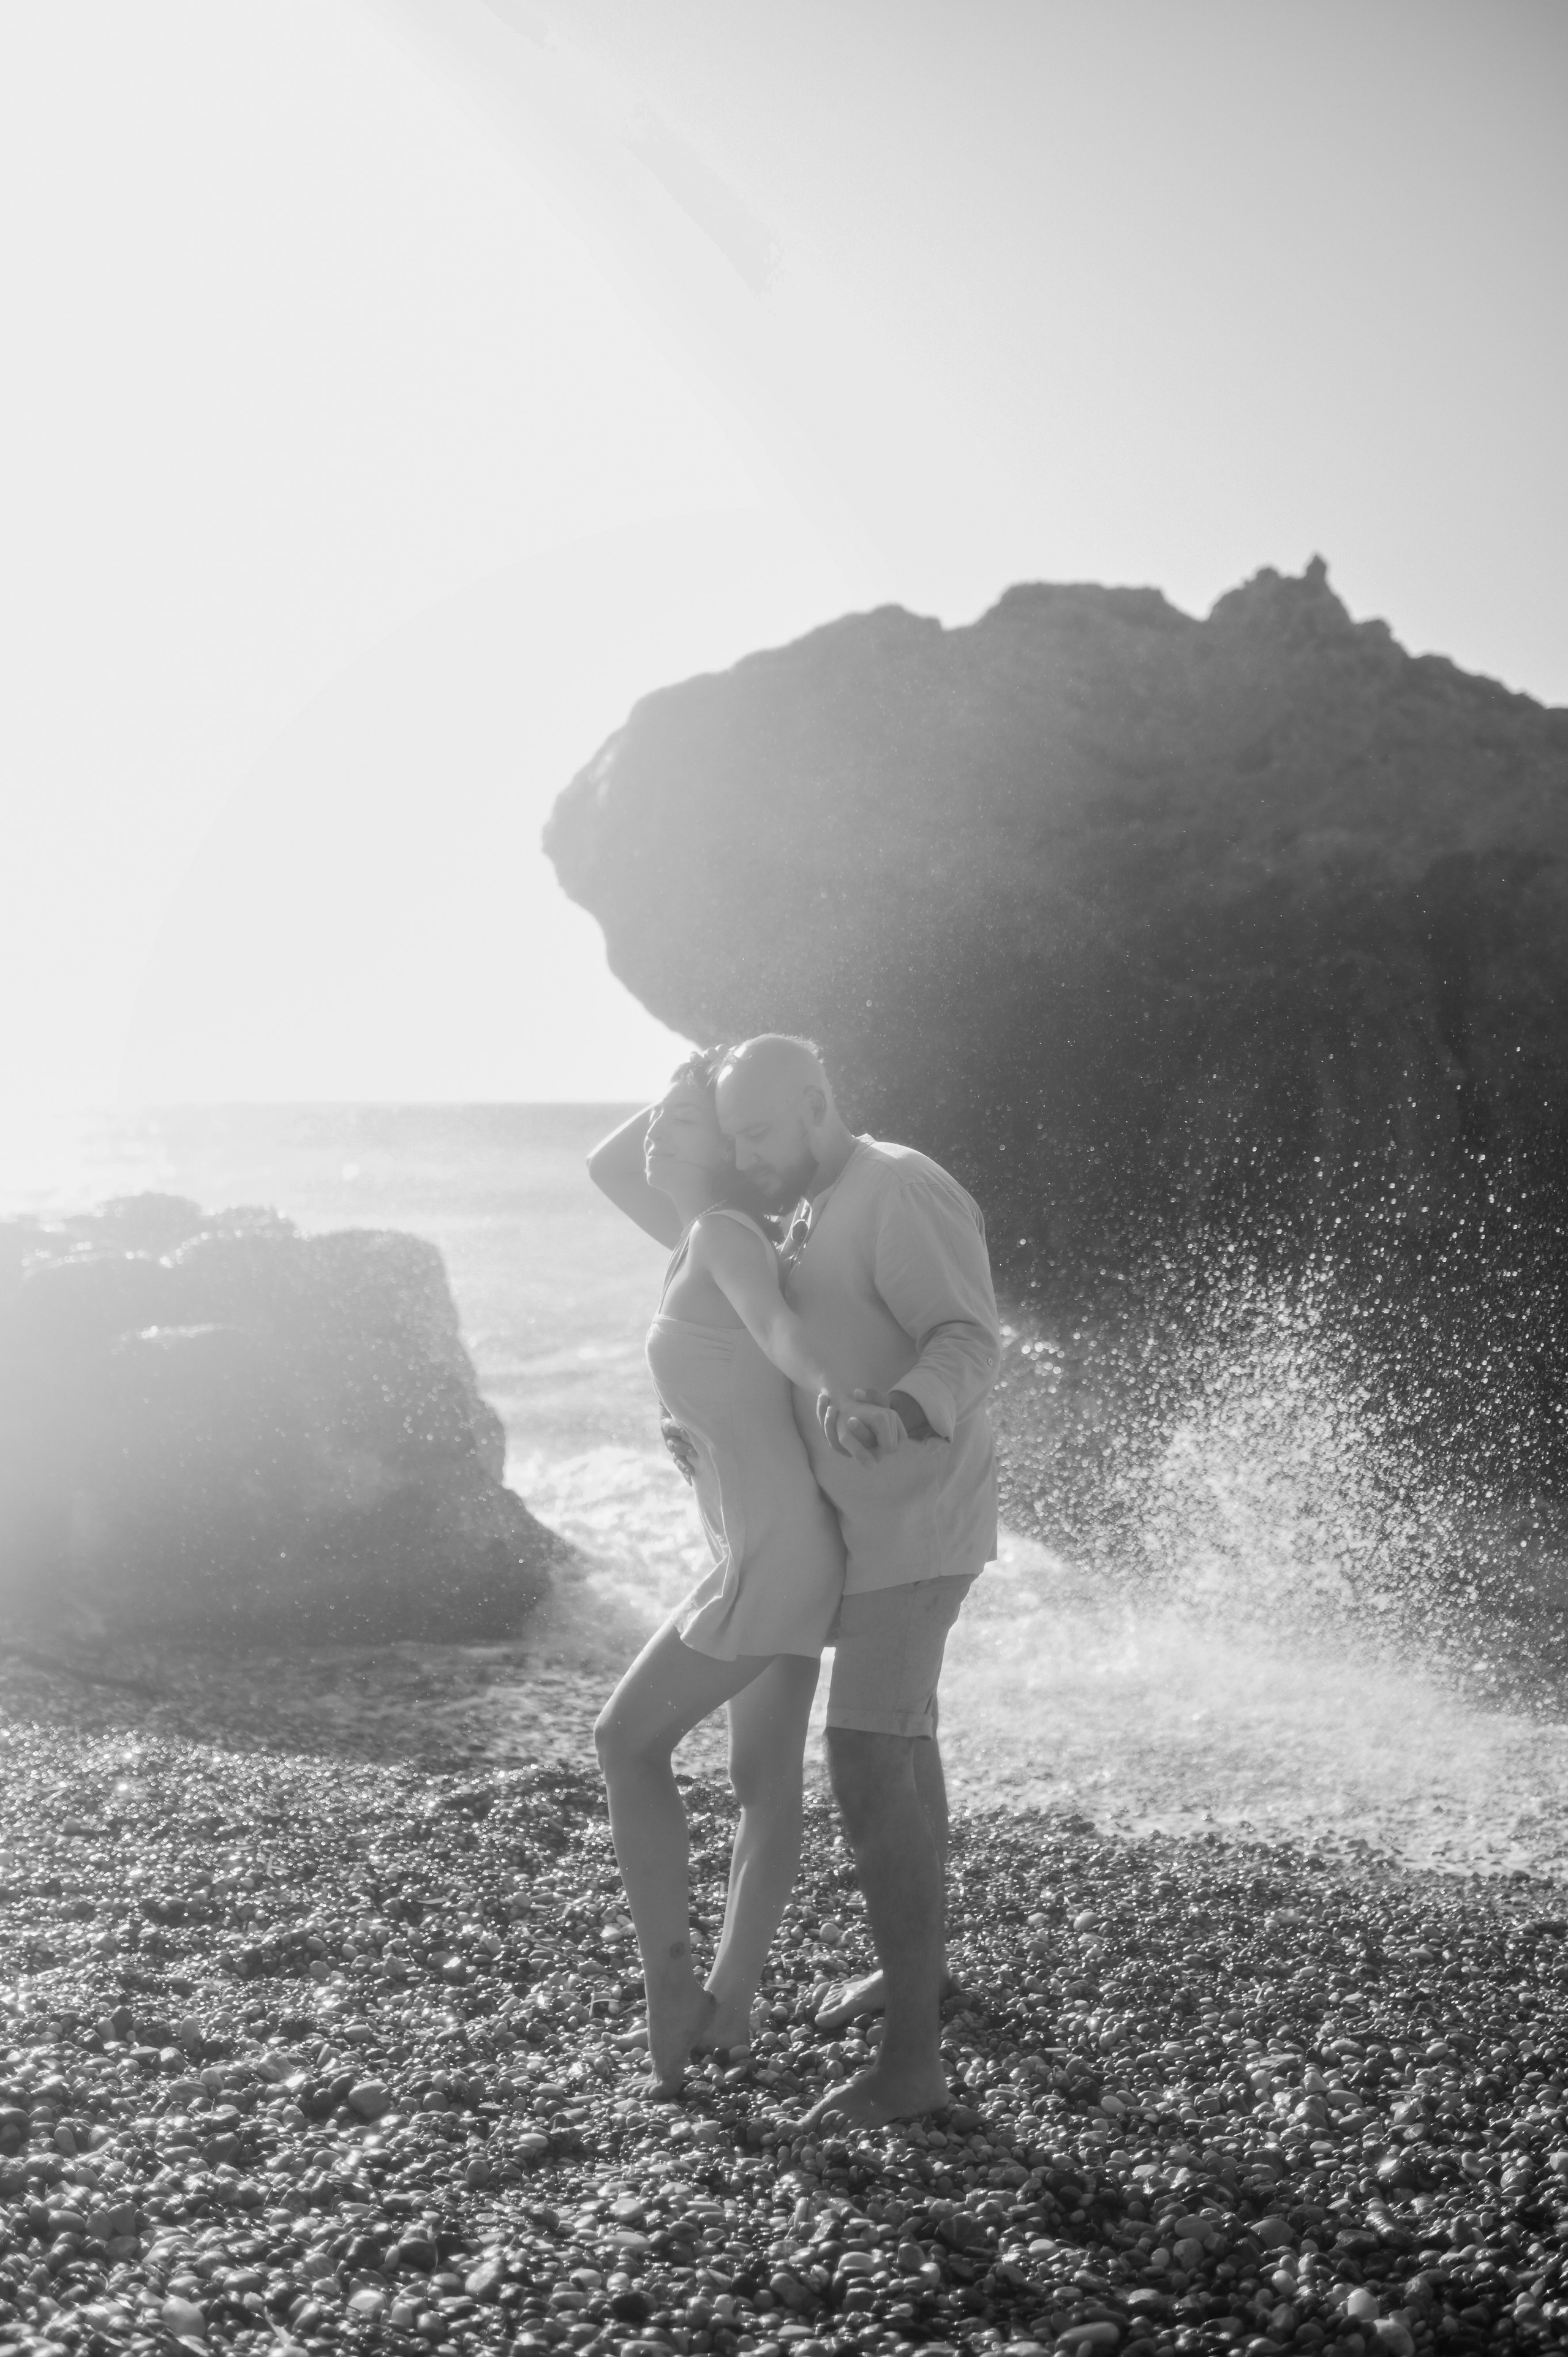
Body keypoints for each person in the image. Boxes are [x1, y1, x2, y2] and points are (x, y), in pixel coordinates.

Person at [711, 1033, 1003, 2130]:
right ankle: (919, 1978)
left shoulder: (897, 1187)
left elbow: (972, 1339)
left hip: (920, 1522)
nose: (744, 1157)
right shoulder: (814, 1200)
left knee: (865, 1757)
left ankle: (912, 2067)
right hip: (881, 1535)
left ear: (818, 1103)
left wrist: (908, 1409)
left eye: (758, 1131)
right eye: (730, 1138)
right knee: (903, 1740)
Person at [587, 1049, 880, 2096]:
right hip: (765, 1539)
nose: (659, 1135)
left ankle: (672, 1980)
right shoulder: (689, 1236)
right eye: (661, 1119)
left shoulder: (722, 1233)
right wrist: (690, 1071)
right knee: (763, 1785)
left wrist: (835, 1391)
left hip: (771, 1551)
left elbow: (777, 1329)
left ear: (721, 1152)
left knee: (624, 1741)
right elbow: (608, 1163)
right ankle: (733, 2005)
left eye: (683, 1123)